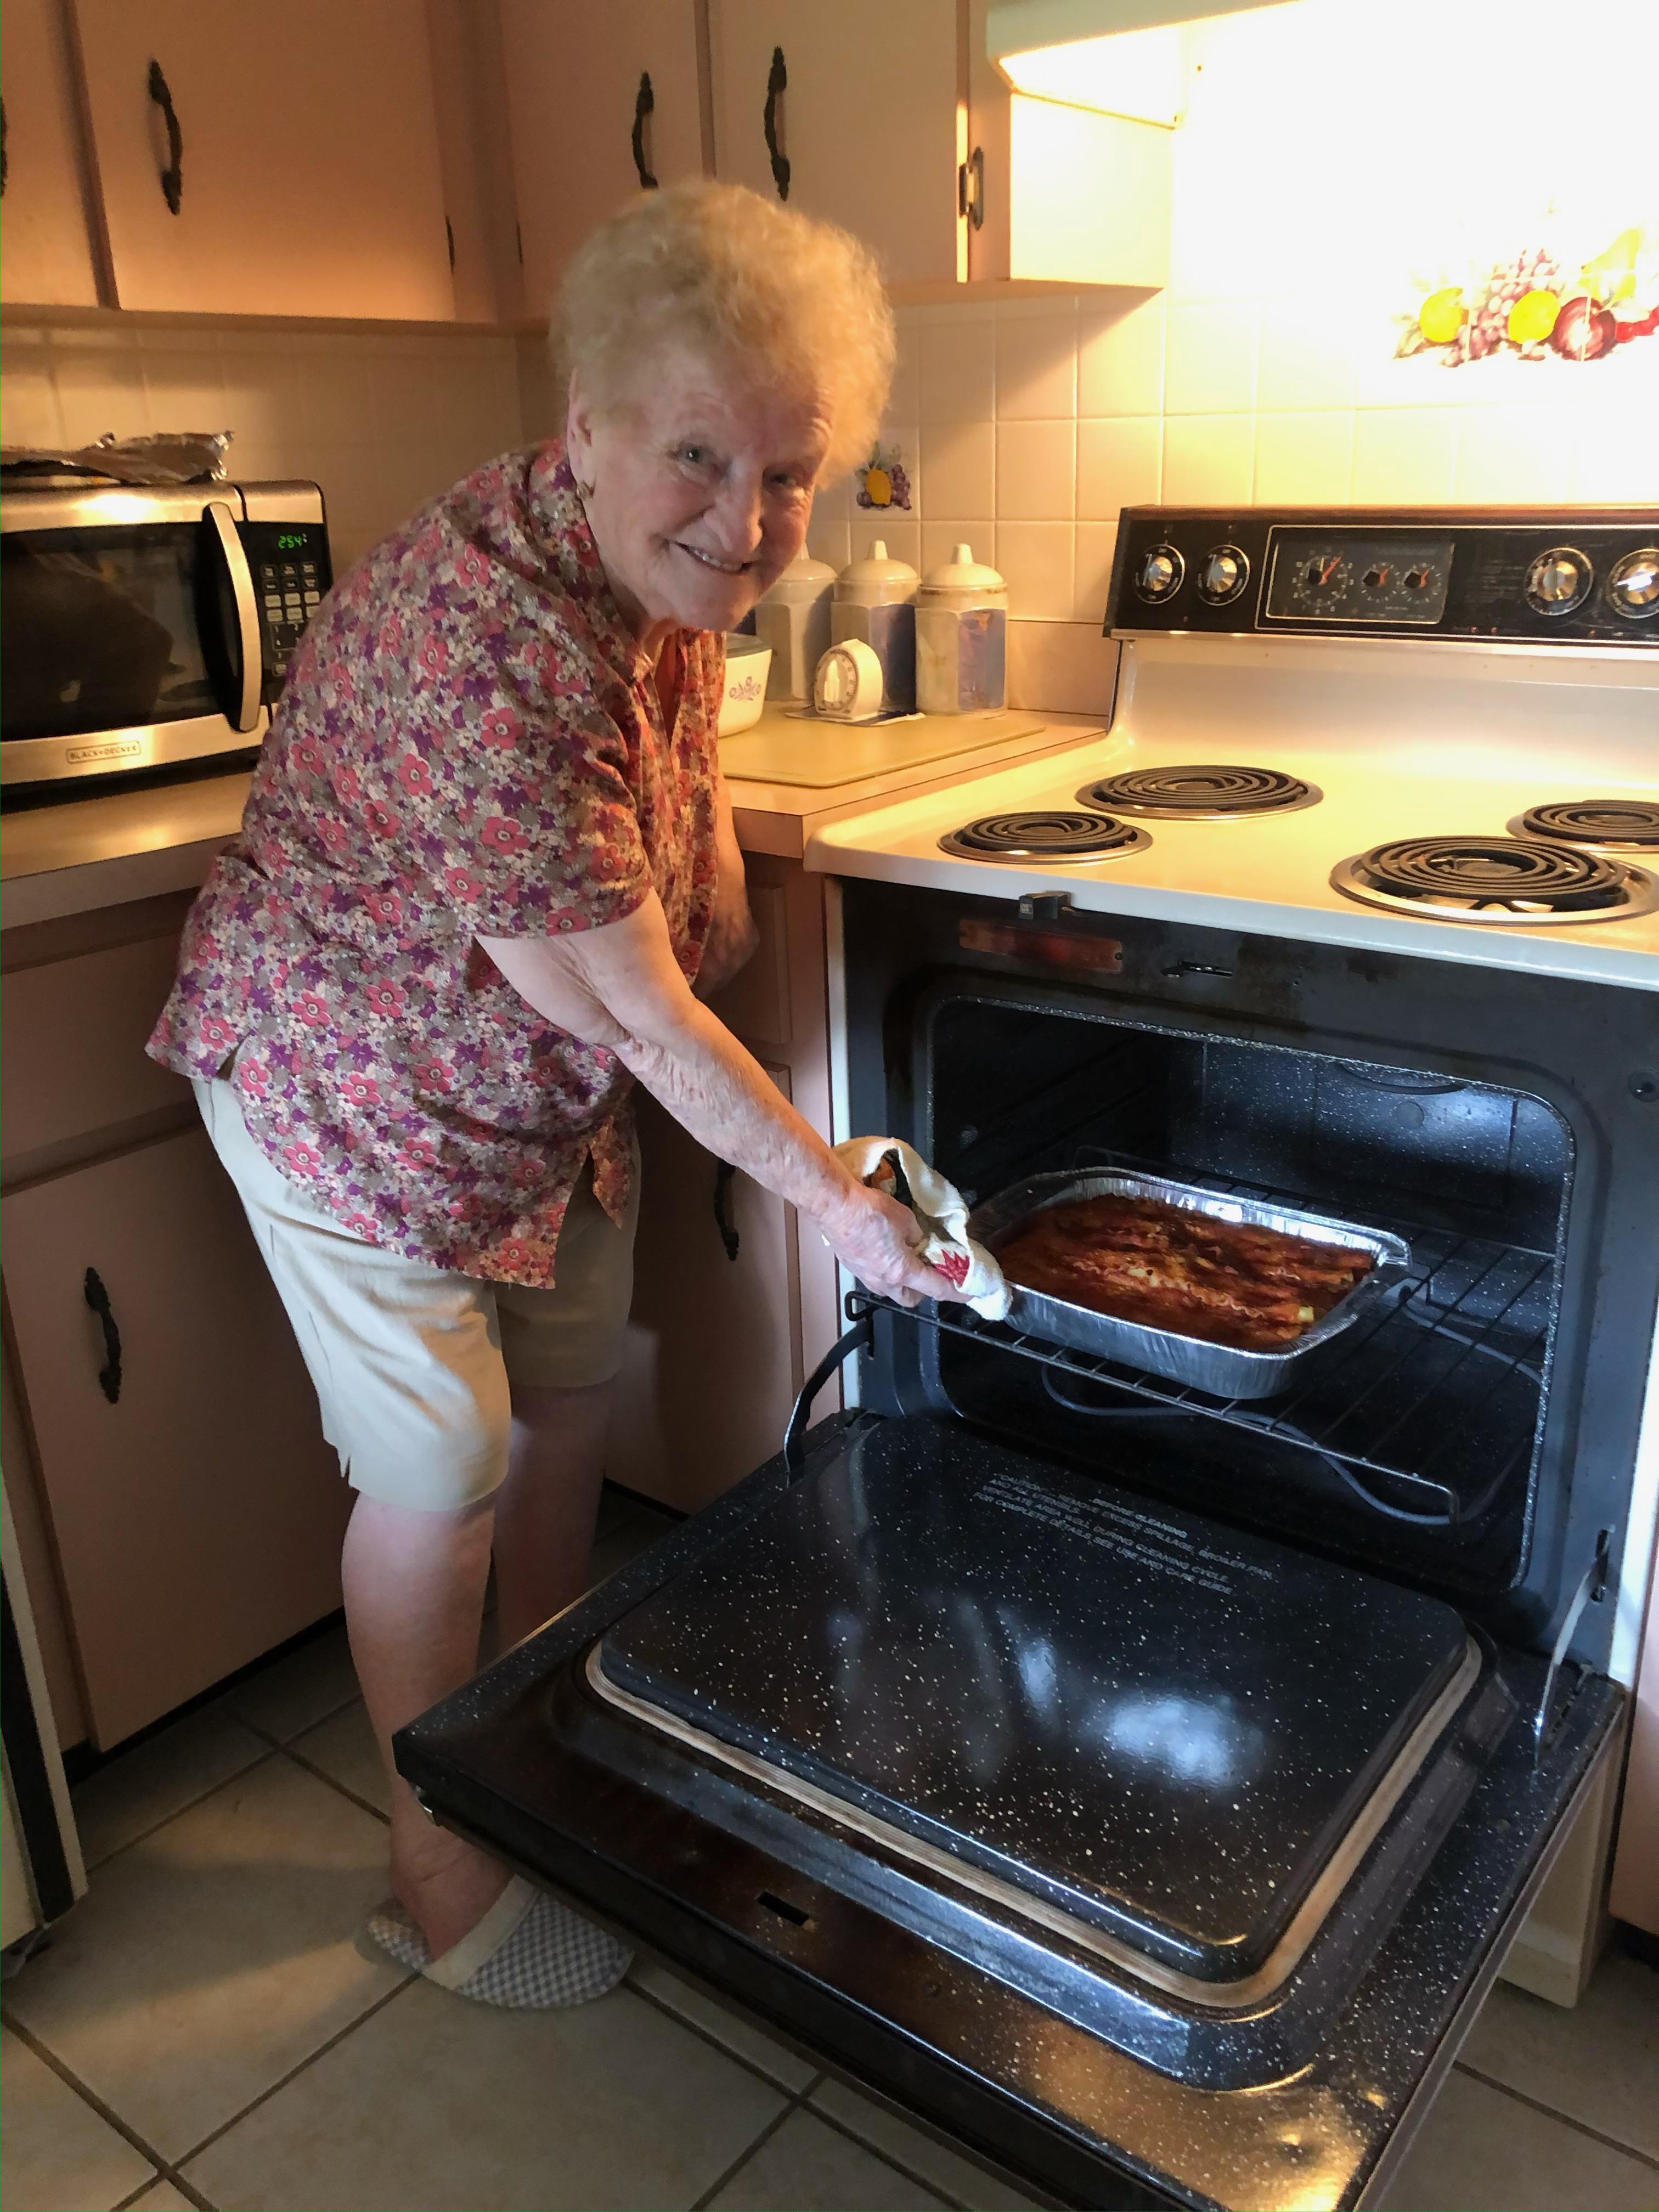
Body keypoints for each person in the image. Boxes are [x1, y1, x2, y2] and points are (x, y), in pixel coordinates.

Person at [147, 180, 962, 2009]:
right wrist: (837, 1196)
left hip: (540, 1094)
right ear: (582, 427)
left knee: (571, 1399)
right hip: (352, 1089)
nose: (747, 524)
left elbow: (674, 796)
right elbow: (659, 1025)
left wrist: (724, 888)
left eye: (789, 473)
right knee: (441, 1462)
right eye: (697, 457)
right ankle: (439, 1849)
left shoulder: (648, 557)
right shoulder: (481, 651)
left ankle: (544, 1736)